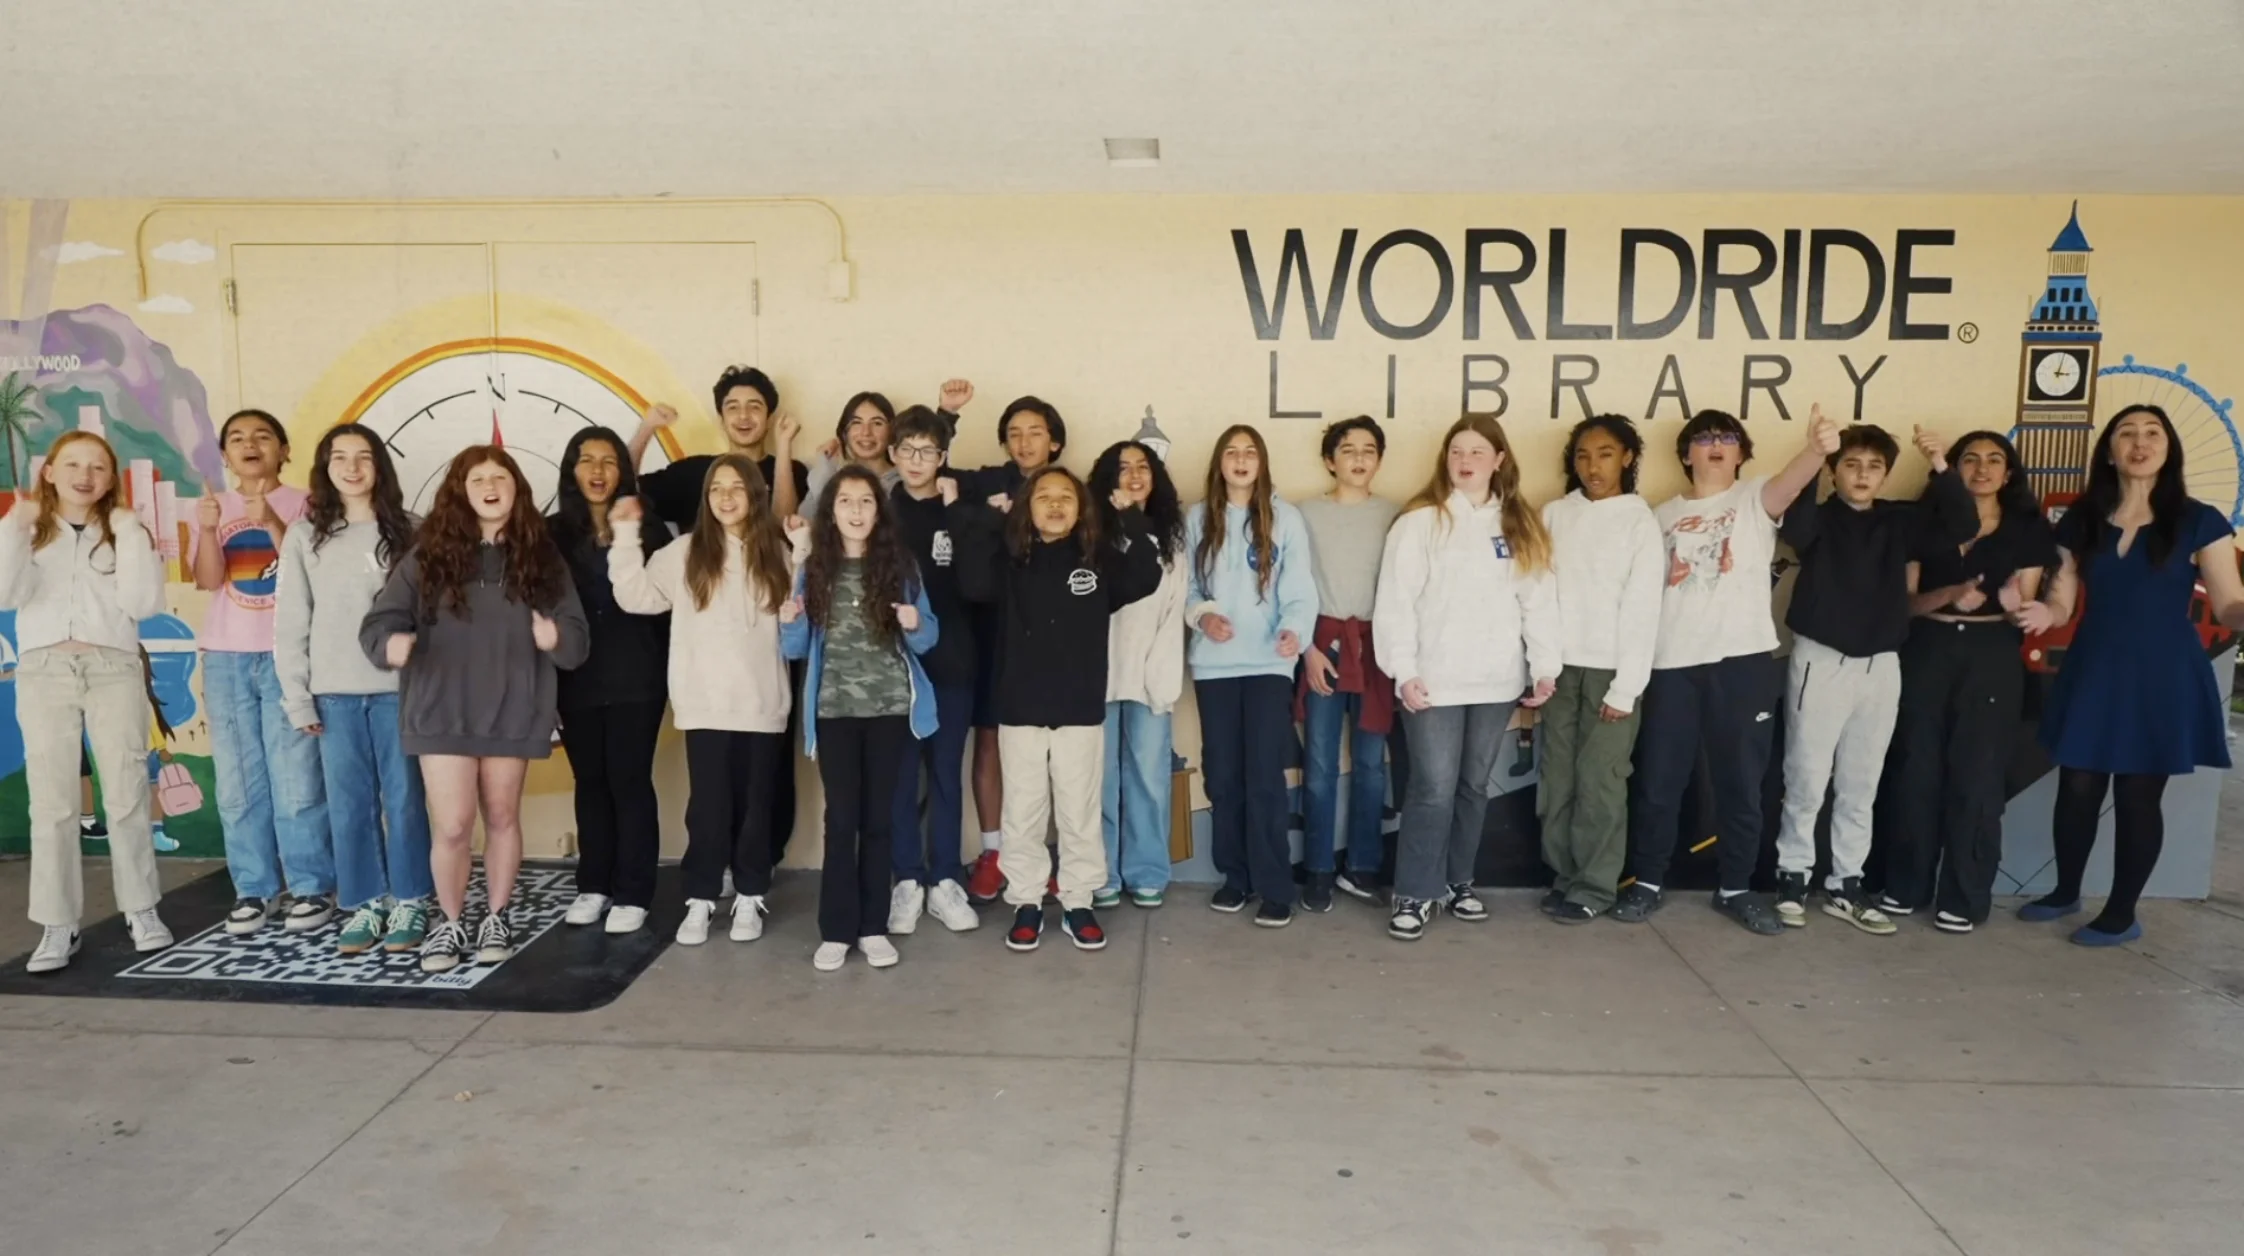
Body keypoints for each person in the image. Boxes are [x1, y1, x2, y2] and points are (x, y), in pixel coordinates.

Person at [2014, 404, 2244, 945]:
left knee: (2139, 794)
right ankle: (2065, 891)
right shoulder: (2082, 519)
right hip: (2096, 666)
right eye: (2127, 433)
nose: (2140, 443)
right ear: (2110, 452)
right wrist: (2045, 612)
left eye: (2152, 433)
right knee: (2077, 785)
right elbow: (2063, 601)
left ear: (2169, 448)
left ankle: (2121, 913)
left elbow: (2229, 603)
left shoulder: (2199, 519)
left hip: (2164, 675)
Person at [361, 446, 589, 973]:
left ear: (517, 489)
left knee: (503, 816)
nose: (490, 487)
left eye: (500, 477)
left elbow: (577, 638)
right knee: (453, 826)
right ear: (460, 493)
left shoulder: (541, 558)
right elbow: (378, 623)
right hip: (441, 709)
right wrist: (391, 644)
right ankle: (450, 922)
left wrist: (554, 635)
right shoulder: (428, 555)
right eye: (478, 479)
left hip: (513, 708)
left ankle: (497, 917)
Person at [1613, 407, 1834, 935]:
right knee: (1660, 781)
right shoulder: (1658, 516)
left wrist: (1816, 450)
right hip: (1670, 664)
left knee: (1740, 783)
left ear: (1741, 453)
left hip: (1742, 663)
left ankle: (1736, 887)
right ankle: (1648, 881)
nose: (1715, 444)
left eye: (1727, 437)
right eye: (1704, 437)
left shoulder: (1754, 498)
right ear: (1686, 454)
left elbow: (1791, 483)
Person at [1771, 423, 1975, 935]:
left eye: (1874, 467)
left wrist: (1940, 463)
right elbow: (1793, 529)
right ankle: (1793, 877)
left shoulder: (1899, 520)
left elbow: (1962, 523)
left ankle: (1846, 883)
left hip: (1882, 664)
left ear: (1885, 474)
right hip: (1821, 659)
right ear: (1834, 471)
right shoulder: (1818, 518)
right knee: (1807, 777)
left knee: (1861, 782)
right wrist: (1815, 453)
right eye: (1851, 464)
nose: (1862, 475)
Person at [953, 465, 1162, 952]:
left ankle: (1078, 902)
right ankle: (1026, 901)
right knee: (1023, 812)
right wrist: (991, 522)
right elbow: (972, 583)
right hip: (1020, 707)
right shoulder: (1009, 560)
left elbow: (1146, 576)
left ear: (1081, 509)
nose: (1054, 504)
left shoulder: (1098, 559)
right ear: (1027, 507)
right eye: (1043, 496)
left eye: (1065, 497)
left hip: (1078, 709)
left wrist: (1131, 520)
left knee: (1079, 812)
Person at [1373, 414, 1559, 940]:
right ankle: (1415, 892)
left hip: (1495, 682)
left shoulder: (1518, 525)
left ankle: (1458, 881)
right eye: (1457, 451)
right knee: (1432, 787)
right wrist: (1404, 671)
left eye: (1478, 451)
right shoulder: (1421, 523)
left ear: (1499, 460)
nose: (1465, 461)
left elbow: (1538, 602)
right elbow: (1395, 603)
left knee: (1472, 786)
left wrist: (1545, 667)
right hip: (1433, 683)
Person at [607, 456, 798, 947]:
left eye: (737, 487)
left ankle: (750, 894)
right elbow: (637, 597)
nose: (726, 497)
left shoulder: (777, 552)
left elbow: (801, 615)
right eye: (717, 488)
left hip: (762, 703)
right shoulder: (685, 552)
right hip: (704, 703)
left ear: (755, 494)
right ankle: (700, 897)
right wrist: (625, 537)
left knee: (756, 806)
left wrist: (806, 548)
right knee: (708, 808)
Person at [1, 431, 171, 972]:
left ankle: (141, 909)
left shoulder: (123, 530)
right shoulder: (30, 529)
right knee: (52, 804)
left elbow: (143, 602)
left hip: (112, 669)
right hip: (44, 672)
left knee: (126, 793)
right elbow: (5, 593)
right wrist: (14, 528)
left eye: (98, 466)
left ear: (111, 478)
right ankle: (58, 924)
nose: (85, 475)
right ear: (49, 472)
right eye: (72, 464)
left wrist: (130, 532)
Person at [629, 368, 808, 867]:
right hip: (706, 648)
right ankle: (713, 866)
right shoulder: (694, 473)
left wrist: (785, 449)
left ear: (769, 414)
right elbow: (626, 489)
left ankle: (758, 864)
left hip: (767, 642)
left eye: (755, 406)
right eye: (733, 406)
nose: (744, 415)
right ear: (720, 415)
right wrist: (646, 429)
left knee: (769, 767)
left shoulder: (788, 469)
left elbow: (785, 526)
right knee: (711, 774)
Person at [1880, 430, 2056, 931]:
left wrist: (2013, 605)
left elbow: (2023, 607)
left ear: (2009, 472)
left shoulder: (2027, 528)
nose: (1982, 469)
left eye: (1994, 460)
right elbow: (1905, 603)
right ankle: (1906, 886)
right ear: (1952, 471)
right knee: (1915, 771)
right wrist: (1949, 595)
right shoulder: (1922, 523)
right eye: (1970, 460)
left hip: (1991, 656)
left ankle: (1964, 897)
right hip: (1927, 650)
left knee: (1977, 778)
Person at [275, 423, 433, 955]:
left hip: (399, 692)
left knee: (405, 800)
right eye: (339, 457)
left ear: (380, 466)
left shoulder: (413, 532)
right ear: (325, 467)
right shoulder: (306, 536)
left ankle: (410, 898)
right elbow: (291, 622)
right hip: (334, 693)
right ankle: (366, 902)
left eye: (363, 456)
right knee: (348, 805)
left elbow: (432, 615)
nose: (351, 467)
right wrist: (298, 697)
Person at [780, 466, 940, 971]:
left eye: (866, 501)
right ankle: (836, 930)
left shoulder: (901, 567)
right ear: (831, 512)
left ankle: (873, 928)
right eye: (845, 501)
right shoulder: (815, 569)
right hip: (834, 713)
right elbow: (795, 649)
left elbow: (928, 637)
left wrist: (915, 623)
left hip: (890, 711)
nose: (855, 510)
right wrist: (789, 622)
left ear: (879, 511)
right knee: (841, 819)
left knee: (878, 820)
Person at [192, 409, 336, 936]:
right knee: (237, 782)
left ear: (284, 449)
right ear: (225, 455)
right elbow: (209, 580)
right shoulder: (213, 505)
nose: (250, 444)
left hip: (287, 658)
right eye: (237, 438)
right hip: (226, 658)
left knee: (296, 778)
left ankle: (310, 886)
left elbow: (311, 575)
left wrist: (273, 521)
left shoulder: (308, 503)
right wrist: (209, 529)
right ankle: (254, 889)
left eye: (262, 436)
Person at [1186, 424, 1318, 927]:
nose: (1240, 460)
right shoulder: (1198, 518)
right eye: (1231, 452)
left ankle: (1274, 886)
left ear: (1261, 462)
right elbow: (1187, 589)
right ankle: (1235, 877)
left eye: (1249, 453)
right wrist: (1203, 618)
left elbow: (1300, 590)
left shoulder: (1286, 518)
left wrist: (1293, 632)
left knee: (1264, 775)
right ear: (1219, 463)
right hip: (1214, 666)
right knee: (1223, 775)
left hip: (1268, 665)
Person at [1536, 415, 1663, 923]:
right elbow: (1538, 594)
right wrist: (1541, 665)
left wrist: (1626, 687)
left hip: (1612, 673)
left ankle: (1594, 886)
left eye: (1606, 454)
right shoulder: (1554, 514)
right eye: (1584, 456)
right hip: (1559, 670)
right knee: (1557, 780)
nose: (1593, 467)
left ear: (1627, 458)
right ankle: (1564, 877)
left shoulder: (1638, 521)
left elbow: (1642, 608)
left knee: (1601, 783)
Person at [547, 427, 670, 937]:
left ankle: (634, 891)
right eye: (587, 461)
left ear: (623, 470)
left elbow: (666, 609)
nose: (597, 471)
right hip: (575, 678)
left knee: (629, 780)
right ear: (572, 471)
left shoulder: (651, 531)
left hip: (638, 677)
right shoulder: (550, 534)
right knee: (590, 782)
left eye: (609, 461)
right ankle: (593, 884)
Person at [957, 391, 1066, 904]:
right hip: (990, 631)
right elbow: (930, 472)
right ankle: (994, 852)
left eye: (1035, 433)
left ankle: (1039, 855)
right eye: (1015, 434)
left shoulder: (1067, 493)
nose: (1024, 443)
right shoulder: (986, 483)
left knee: (1047, 750)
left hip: (1049, 637)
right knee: (989, 739)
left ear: (1055, 442)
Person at [1295, 417, 1402, 911]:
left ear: (1379, 459)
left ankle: (1361, 866)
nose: (1359, 459)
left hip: (1374, 648)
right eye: (1348, 450)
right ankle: (1317, 868)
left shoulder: (1396, 515)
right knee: (1318, 763)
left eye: (1369, 450)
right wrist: (1307, 649)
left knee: (1370, 765)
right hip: (1323, 646)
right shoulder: (1305, 514)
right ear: (1329, 460)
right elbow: (1292, 584)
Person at [885, 406, 983, 934]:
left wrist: (959, 514)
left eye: (927, 451)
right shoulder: (880, 512)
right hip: (896, 664)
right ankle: (906, 879)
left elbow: (979, 581)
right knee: (902, 777)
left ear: (943, 457)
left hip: (954, 660)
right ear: (893, 454)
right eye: (907, 450)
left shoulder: (959, 508)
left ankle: (945, 878)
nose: (916, 460)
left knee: (946, 772)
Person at [1090, 439, 1190, 910]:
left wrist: (1161, 674)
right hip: (1098, 672)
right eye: (1123, 467)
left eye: (1143, 466)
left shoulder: (1174, 536)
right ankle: (1101, 872)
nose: (1133, 475)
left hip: (1151, 672)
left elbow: (1175, 608)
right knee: (1098, 779)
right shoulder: (1091, 530)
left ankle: (1147, 871)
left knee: (1149, 778)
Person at [806, 391, 901, 507]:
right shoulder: (830, 474)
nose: (866, 432)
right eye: (857, 422)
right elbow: (806, 514)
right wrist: (825, 464)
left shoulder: (902, 481)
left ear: (891, 432)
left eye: (877, 423)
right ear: (845, 433)